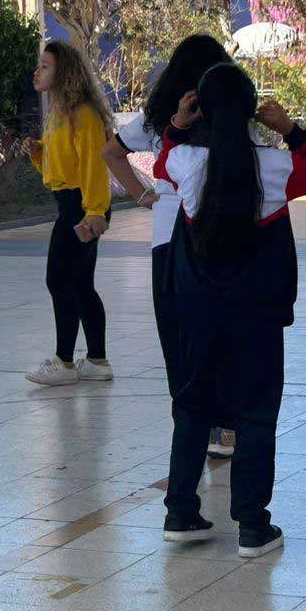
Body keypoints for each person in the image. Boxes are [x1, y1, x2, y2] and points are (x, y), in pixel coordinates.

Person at [154, 63, 306, 558]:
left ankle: (179, 511)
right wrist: (291, 130)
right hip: (256, 313)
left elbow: (159, 166)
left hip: (198, 311)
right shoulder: (275, 167)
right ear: (252, 106)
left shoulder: (188, 162)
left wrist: (176, 124)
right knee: (256, 413)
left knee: (192, 405)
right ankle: (253, 527)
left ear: (203, 109)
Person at [101, 34, 239, 458]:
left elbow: (112, 152)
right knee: (224, 328)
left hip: (169, 236)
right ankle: (225, 426)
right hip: (223, 231)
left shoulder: (159, 117)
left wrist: (142, 196)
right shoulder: (230, 112)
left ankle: (190, 422)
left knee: (176, 331)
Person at [25, 40, 114, 386]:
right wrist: (38, 152)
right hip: (71, 202)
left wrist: (94, 213)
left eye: (45, 66)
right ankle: (97, 359)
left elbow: (94, 165)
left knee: (59, 280)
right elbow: (61, 165)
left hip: (81, 206)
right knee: (80, 283)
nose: (38, 71)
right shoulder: (60, 112)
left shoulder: (83, 115)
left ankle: (64, 361)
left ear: (64, 73)